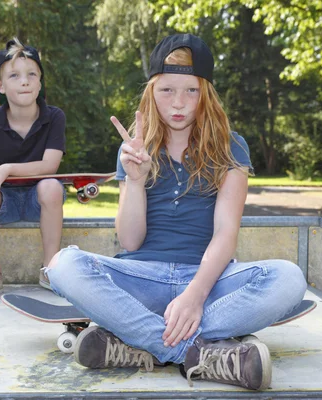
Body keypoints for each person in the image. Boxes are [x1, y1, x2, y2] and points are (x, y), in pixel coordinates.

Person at [44, 34, 307, 390]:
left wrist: (194, 296)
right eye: (167, 90)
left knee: (289, 278)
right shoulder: (134, 148)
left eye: (191, 91)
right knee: (63, 264)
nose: (179, 102)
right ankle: (198, 352)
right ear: (152, 91)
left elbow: (226, 235)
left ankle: (139, 340)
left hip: (209, 282)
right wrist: (134, 181)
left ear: (206, 95)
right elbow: (131, 241)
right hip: (141, 280)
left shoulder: (232, 147)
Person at [0, 38, 66, 301]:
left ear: (40, 83)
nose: (25, 81)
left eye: (32, 74)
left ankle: (50, 268)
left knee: (52, 186)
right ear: (1, 85)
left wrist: (6, 168)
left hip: (39, 201)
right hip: (4, 204)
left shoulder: (54, 117)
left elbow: (49, 166)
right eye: (15, 75)